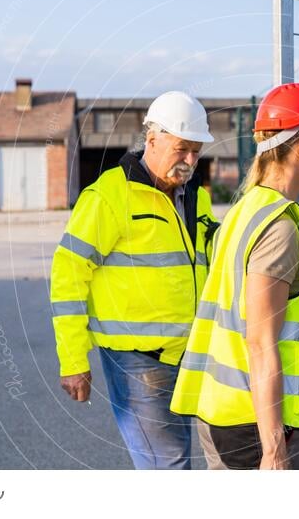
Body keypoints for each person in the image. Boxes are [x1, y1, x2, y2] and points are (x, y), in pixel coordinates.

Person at [170, 83, 299, 469]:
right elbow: (260, 342)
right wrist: (274, 449)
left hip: (224, 409)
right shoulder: (279, 227)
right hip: (256, 422)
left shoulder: (245, 208)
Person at [50, 91, 219, 469]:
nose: (190, 161)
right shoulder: (109, 196)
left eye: (196, 151)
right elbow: (68, 274)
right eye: (182, 149)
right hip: (139, 364)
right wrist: (73, 359)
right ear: (152, 139)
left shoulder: (196, 199)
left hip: (195, 354)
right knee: (169, 467)